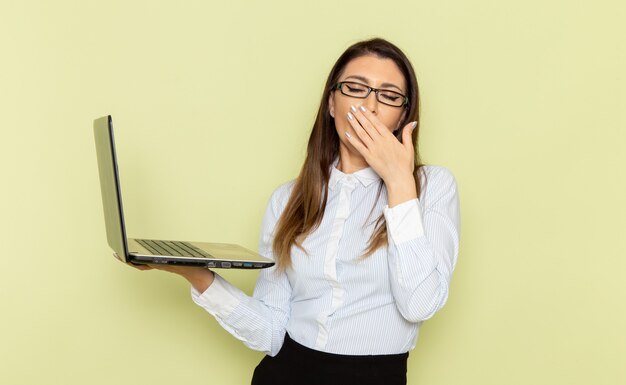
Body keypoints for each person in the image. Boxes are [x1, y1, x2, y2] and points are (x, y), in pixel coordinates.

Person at [124, 38, 461, 385]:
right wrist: (195, 275)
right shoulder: (288, 199)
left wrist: (398, 181)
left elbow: (420, 304)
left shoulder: (432, 186)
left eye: (388, 96)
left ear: (403, 115)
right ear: (332, 103)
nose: (369, 107)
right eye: (356, 88)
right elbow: (271, 332)